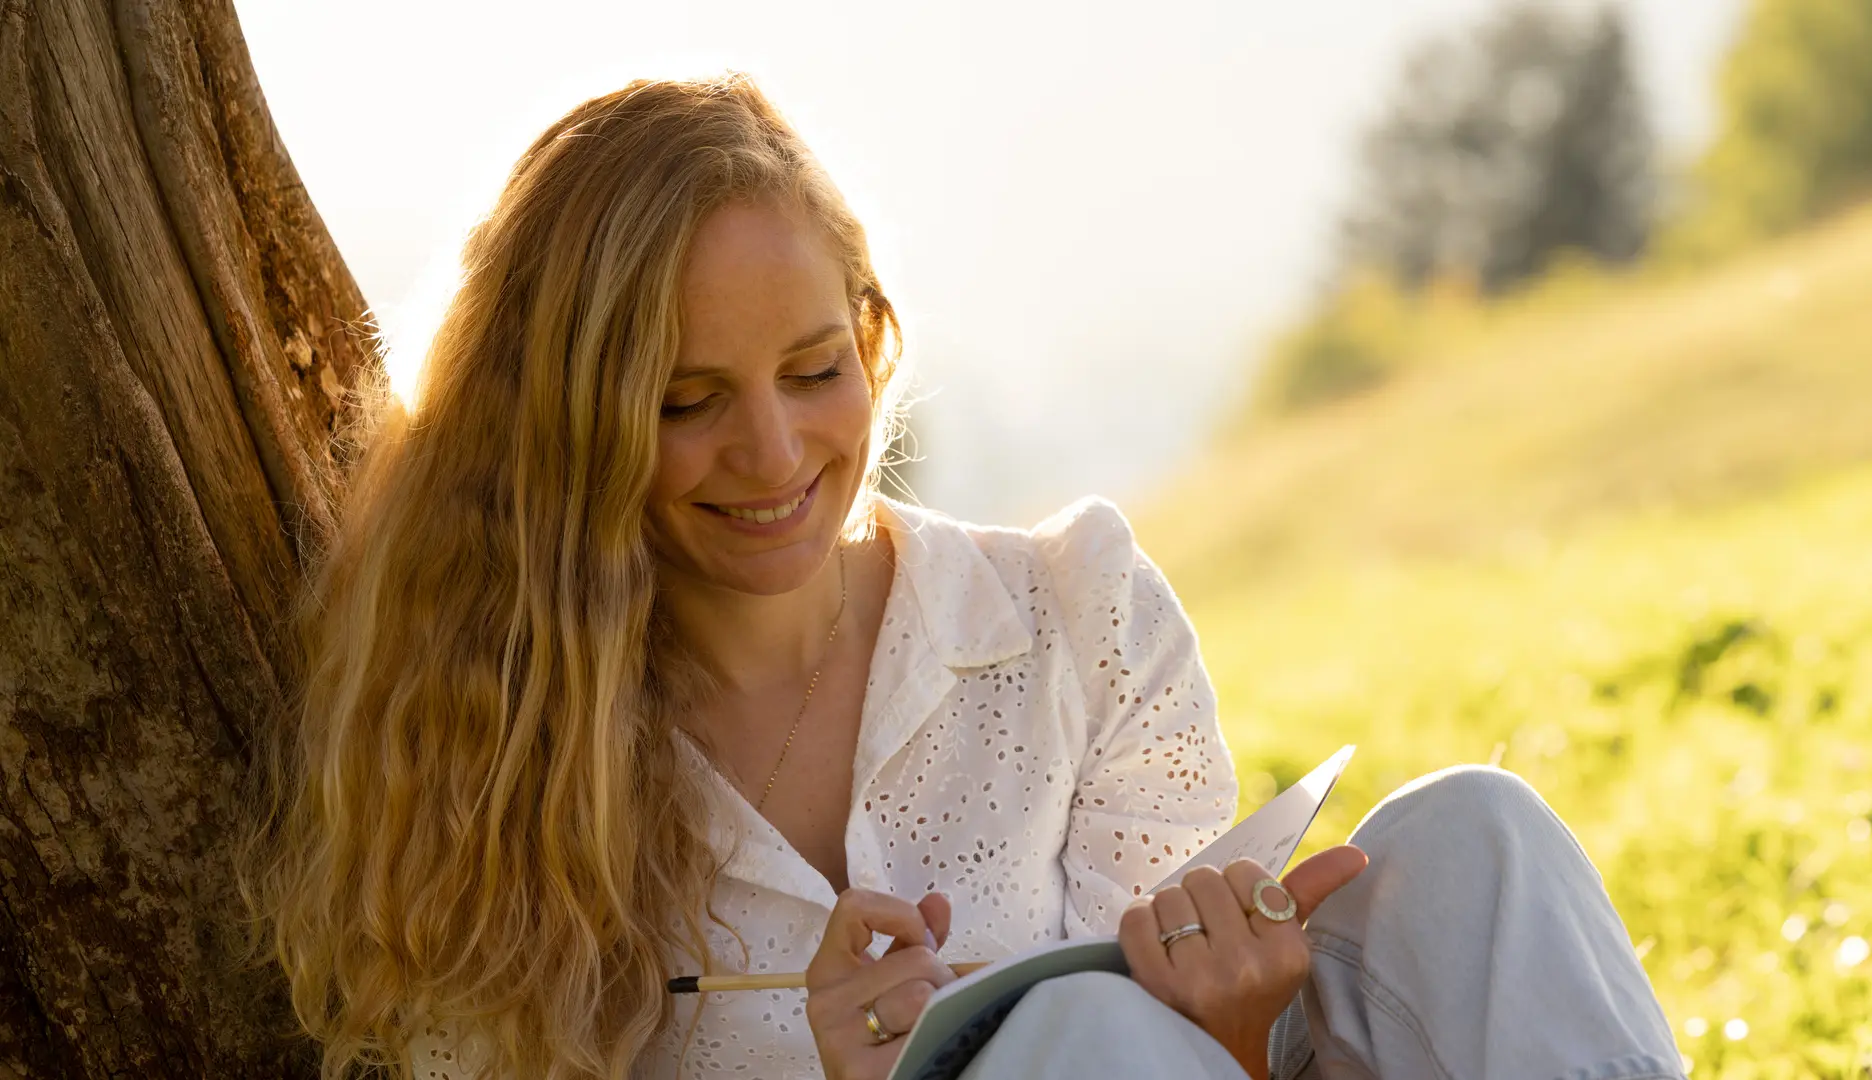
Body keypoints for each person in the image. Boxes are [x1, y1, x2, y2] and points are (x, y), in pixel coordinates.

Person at [239, 74, 1687, 1080]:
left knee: (1475, 835)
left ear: (871, 336)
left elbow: (1198, 1044)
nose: (773, 450)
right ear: (566, 423)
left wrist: (1238, 1036)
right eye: (686, 402)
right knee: (1080, 1044)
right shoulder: (492, 763)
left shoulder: (1073, 618)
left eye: (814, 371)